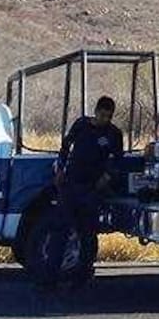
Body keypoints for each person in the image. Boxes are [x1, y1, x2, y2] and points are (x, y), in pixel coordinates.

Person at [42, 96, 124, 288]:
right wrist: (60, 169)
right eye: (102, 114)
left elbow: (117, 160)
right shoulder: (81, 125)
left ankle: (83, 276)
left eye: (109, 116)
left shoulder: (113, 134)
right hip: (70, 185)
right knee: (60, 230)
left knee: (87, 233)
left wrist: (107, 177)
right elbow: (66, 147)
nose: (105, 119)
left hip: (92, 189)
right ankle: (50, 277)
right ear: (96, 111)